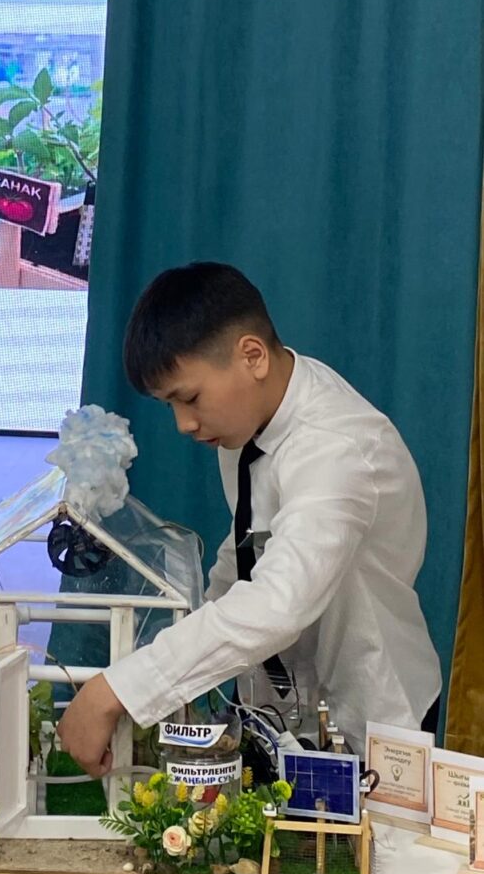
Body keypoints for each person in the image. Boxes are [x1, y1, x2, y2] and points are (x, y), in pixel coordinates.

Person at [56, 262, 441, 774]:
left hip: (372, 719)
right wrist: (182, 636)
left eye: (189, 398)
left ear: (252, 356)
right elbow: (249, 541)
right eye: (170, 406)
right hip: (281, 714)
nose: (184, 424)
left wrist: (122, 687)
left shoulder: (335, 449)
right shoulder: (253, 416)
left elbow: (279, 602)